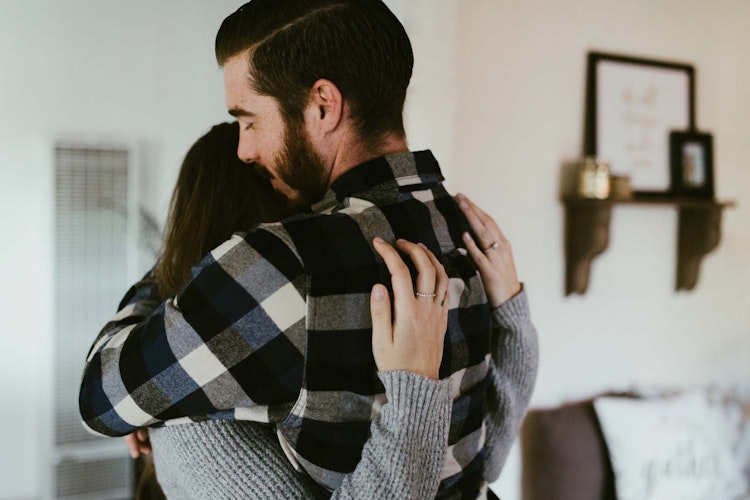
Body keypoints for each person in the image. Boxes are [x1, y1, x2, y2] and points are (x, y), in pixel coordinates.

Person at [79, 1, 539, 497]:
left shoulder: (284, 264)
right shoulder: (458, 226)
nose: (244, 150)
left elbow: (100, 399)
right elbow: (480, 463)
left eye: (249, 120)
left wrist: (171, 263)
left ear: (323, 105)